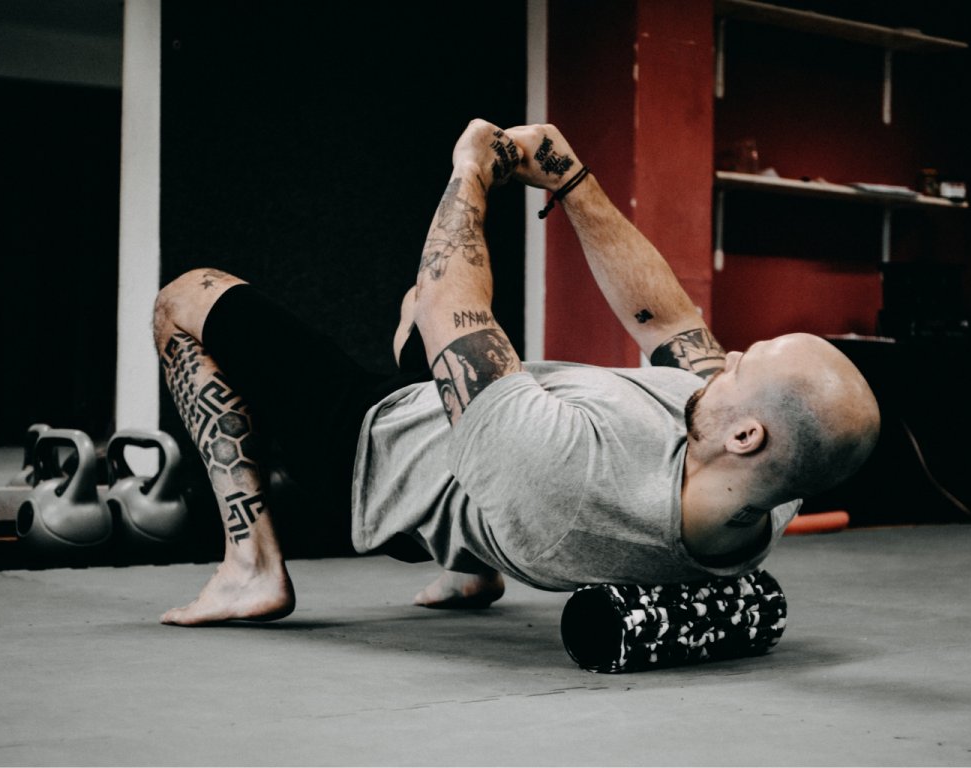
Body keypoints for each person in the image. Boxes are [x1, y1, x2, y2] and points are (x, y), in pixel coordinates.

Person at [151, 119, 880, 626]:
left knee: (187, 297)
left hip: (371, 455)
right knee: (412, 316)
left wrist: (472, 169)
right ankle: (474, 557)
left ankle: (251, 566)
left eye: (744, 365)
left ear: (746, 435)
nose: (729, 357)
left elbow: (453, 307)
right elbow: (667, 323)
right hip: (492, 467)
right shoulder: (768, 486)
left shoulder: (570, 478)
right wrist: (571, 177)